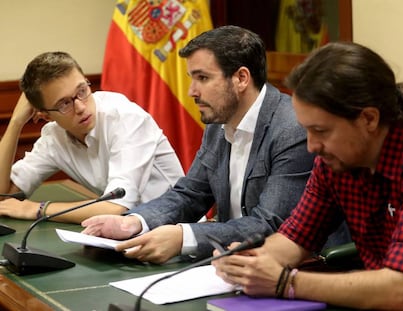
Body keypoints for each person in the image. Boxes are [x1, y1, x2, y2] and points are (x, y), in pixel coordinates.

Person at [81, 25, 350, 264]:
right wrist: (133, 222)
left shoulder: (292, 129)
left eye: (203, 78)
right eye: (191, 78)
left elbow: (270, 224)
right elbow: (191, 194)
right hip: (228, 261)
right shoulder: (217, 124)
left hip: (304, 269)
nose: (192, 92)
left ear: (241, 78)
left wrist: (183, 237)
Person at [212, 42, 403, 310]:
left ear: (369, 119)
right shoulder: (334, 162)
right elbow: (295, 238)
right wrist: (249, 262)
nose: (311, 146)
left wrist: (287, 283)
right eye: (307, 130)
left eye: (321, 131)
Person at [0, 51, 184, 224]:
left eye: (82, 91)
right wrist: (15, 123)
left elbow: (117, 208)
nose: (80, 107)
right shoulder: (54, 137)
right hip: (127, 232)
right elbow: (4, 197)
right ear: (46, 116)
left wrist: (38, 209)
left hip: (176, 232)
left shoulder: (126, 118)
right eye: (64, 104)